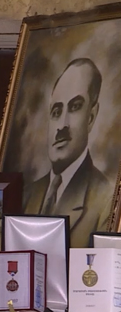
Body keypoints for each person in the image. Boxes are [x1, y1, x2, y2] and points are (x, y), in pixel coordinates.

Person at [23, 58, 114, 247]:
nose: (62, 125)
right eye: (56, 112)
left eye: (75, 107)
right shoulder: (27, 195)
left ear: (91, 117)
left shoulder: (107, 202)